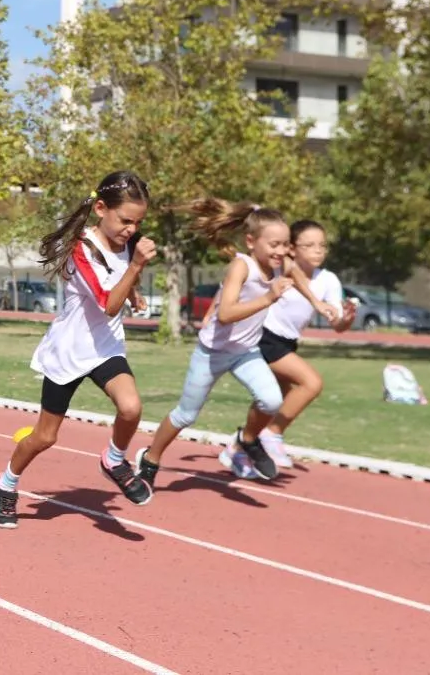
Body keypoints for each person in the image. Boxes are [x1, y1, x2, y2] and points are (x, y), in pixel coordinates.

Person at [0, 171, 157, 529]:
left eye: (138, 222)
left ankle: (114, 460)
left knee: (131, 408)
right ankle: (5, 484)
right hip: (69, 350)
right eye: (125, 220)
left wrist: (136, 289)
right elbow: (107, 303)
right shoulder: (82, 250)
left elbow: (124, 274)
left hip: (106, 346)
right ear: (100, 208)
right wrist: (138, 266)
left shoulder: (129, 239)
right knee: (46, 436)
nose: (131, 229)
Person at [135, 199, 338, 488]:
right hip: (212, 354)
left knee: (272, 400)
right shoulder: (241, 267)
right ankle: (151, 458)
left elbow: (297, 276)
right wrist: (269, 298)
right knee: (186, 415)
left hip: (246, 352)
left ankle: (248, 439)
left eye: (284, 244)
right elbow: (227, 313)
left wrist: (318, 303)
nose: (280, 251)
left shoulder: (282, 264)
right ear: (251, 242)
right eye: (274, 245)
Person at [242, 220, 353, 468]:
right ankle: (271, 434)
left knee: (274, 398)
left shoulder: (329, 280)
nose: (318, 251)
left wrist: (346, 319)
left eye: (323, 245)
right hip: (264, 336)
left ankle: (240, 446)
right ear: (292, 248)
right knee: (311, 383)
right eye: (310, 245)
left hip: (288, 342)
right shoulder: (280, 267)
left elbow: (337, 323)